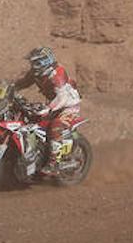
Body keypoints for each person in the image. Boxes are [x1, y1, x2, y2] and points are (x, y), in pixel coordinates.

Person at [13, 46, 82, 176]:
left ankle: (54, 163)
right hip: (55, 103)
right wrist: (10, 87)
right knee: (30, 121)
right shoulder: (37, 73)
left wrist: (48, 108)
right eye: (32, 63)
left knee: (55, 126)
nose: (33, 66)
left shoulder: (57, 73)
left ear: (44, 61)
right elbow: (22, 83)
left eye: (36, 63)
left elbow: (62, 97)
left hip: (69, 105)